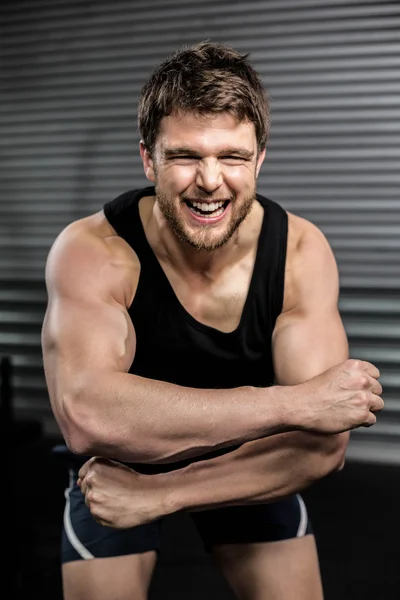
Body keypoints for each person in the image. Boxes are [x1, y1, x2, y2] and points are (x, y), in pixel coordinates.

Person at [41, 41, 383, 600]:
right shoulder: (93, 250)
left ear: (260, 160)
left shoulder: (298, 250)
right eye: (184, 156)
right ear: (149, 159)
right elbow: (86, 414)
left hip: (251, 465)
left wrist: (163, 494)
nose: (209, 179)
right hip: (121, 466)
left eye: (232, 156)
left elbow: (323, 448)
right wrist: (296, 404)